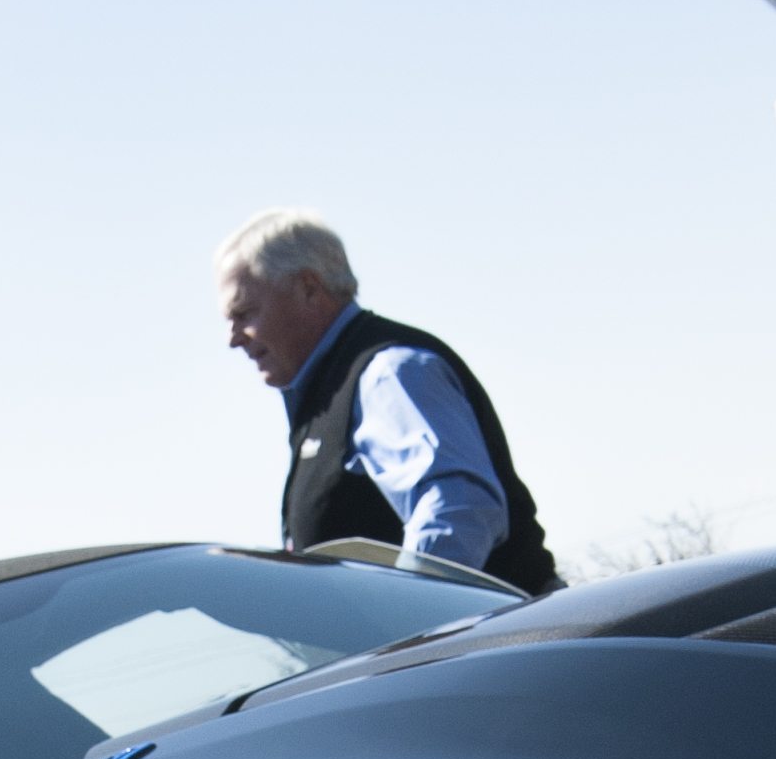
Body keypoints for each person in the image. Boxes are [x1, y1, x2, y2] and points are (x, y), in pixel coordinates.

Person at [217, 210, 560, 592]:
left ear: (310, 288)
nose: (234, 337)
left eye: (244, 313)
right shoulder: (330, 392)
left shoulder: (387, 373)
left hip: (504, 642)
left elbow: (459, 510)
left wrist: (416, 623)